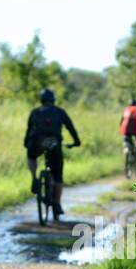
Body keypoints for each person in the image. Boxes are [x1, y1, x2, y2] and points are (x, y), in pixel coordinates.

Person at [24, 88, 81, 218]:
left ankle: (34, 177)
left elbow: (29, 130)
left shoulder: (35, 112)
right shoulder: (60, 112)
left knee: (31, 157)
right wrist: (77, 142)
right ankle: (56, 204)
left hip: (36, 142)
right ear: (53, 100)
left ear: (41, 100)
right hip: (53, 144)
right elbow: (70, 127)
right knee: (58, 174)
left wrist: (26, 143)